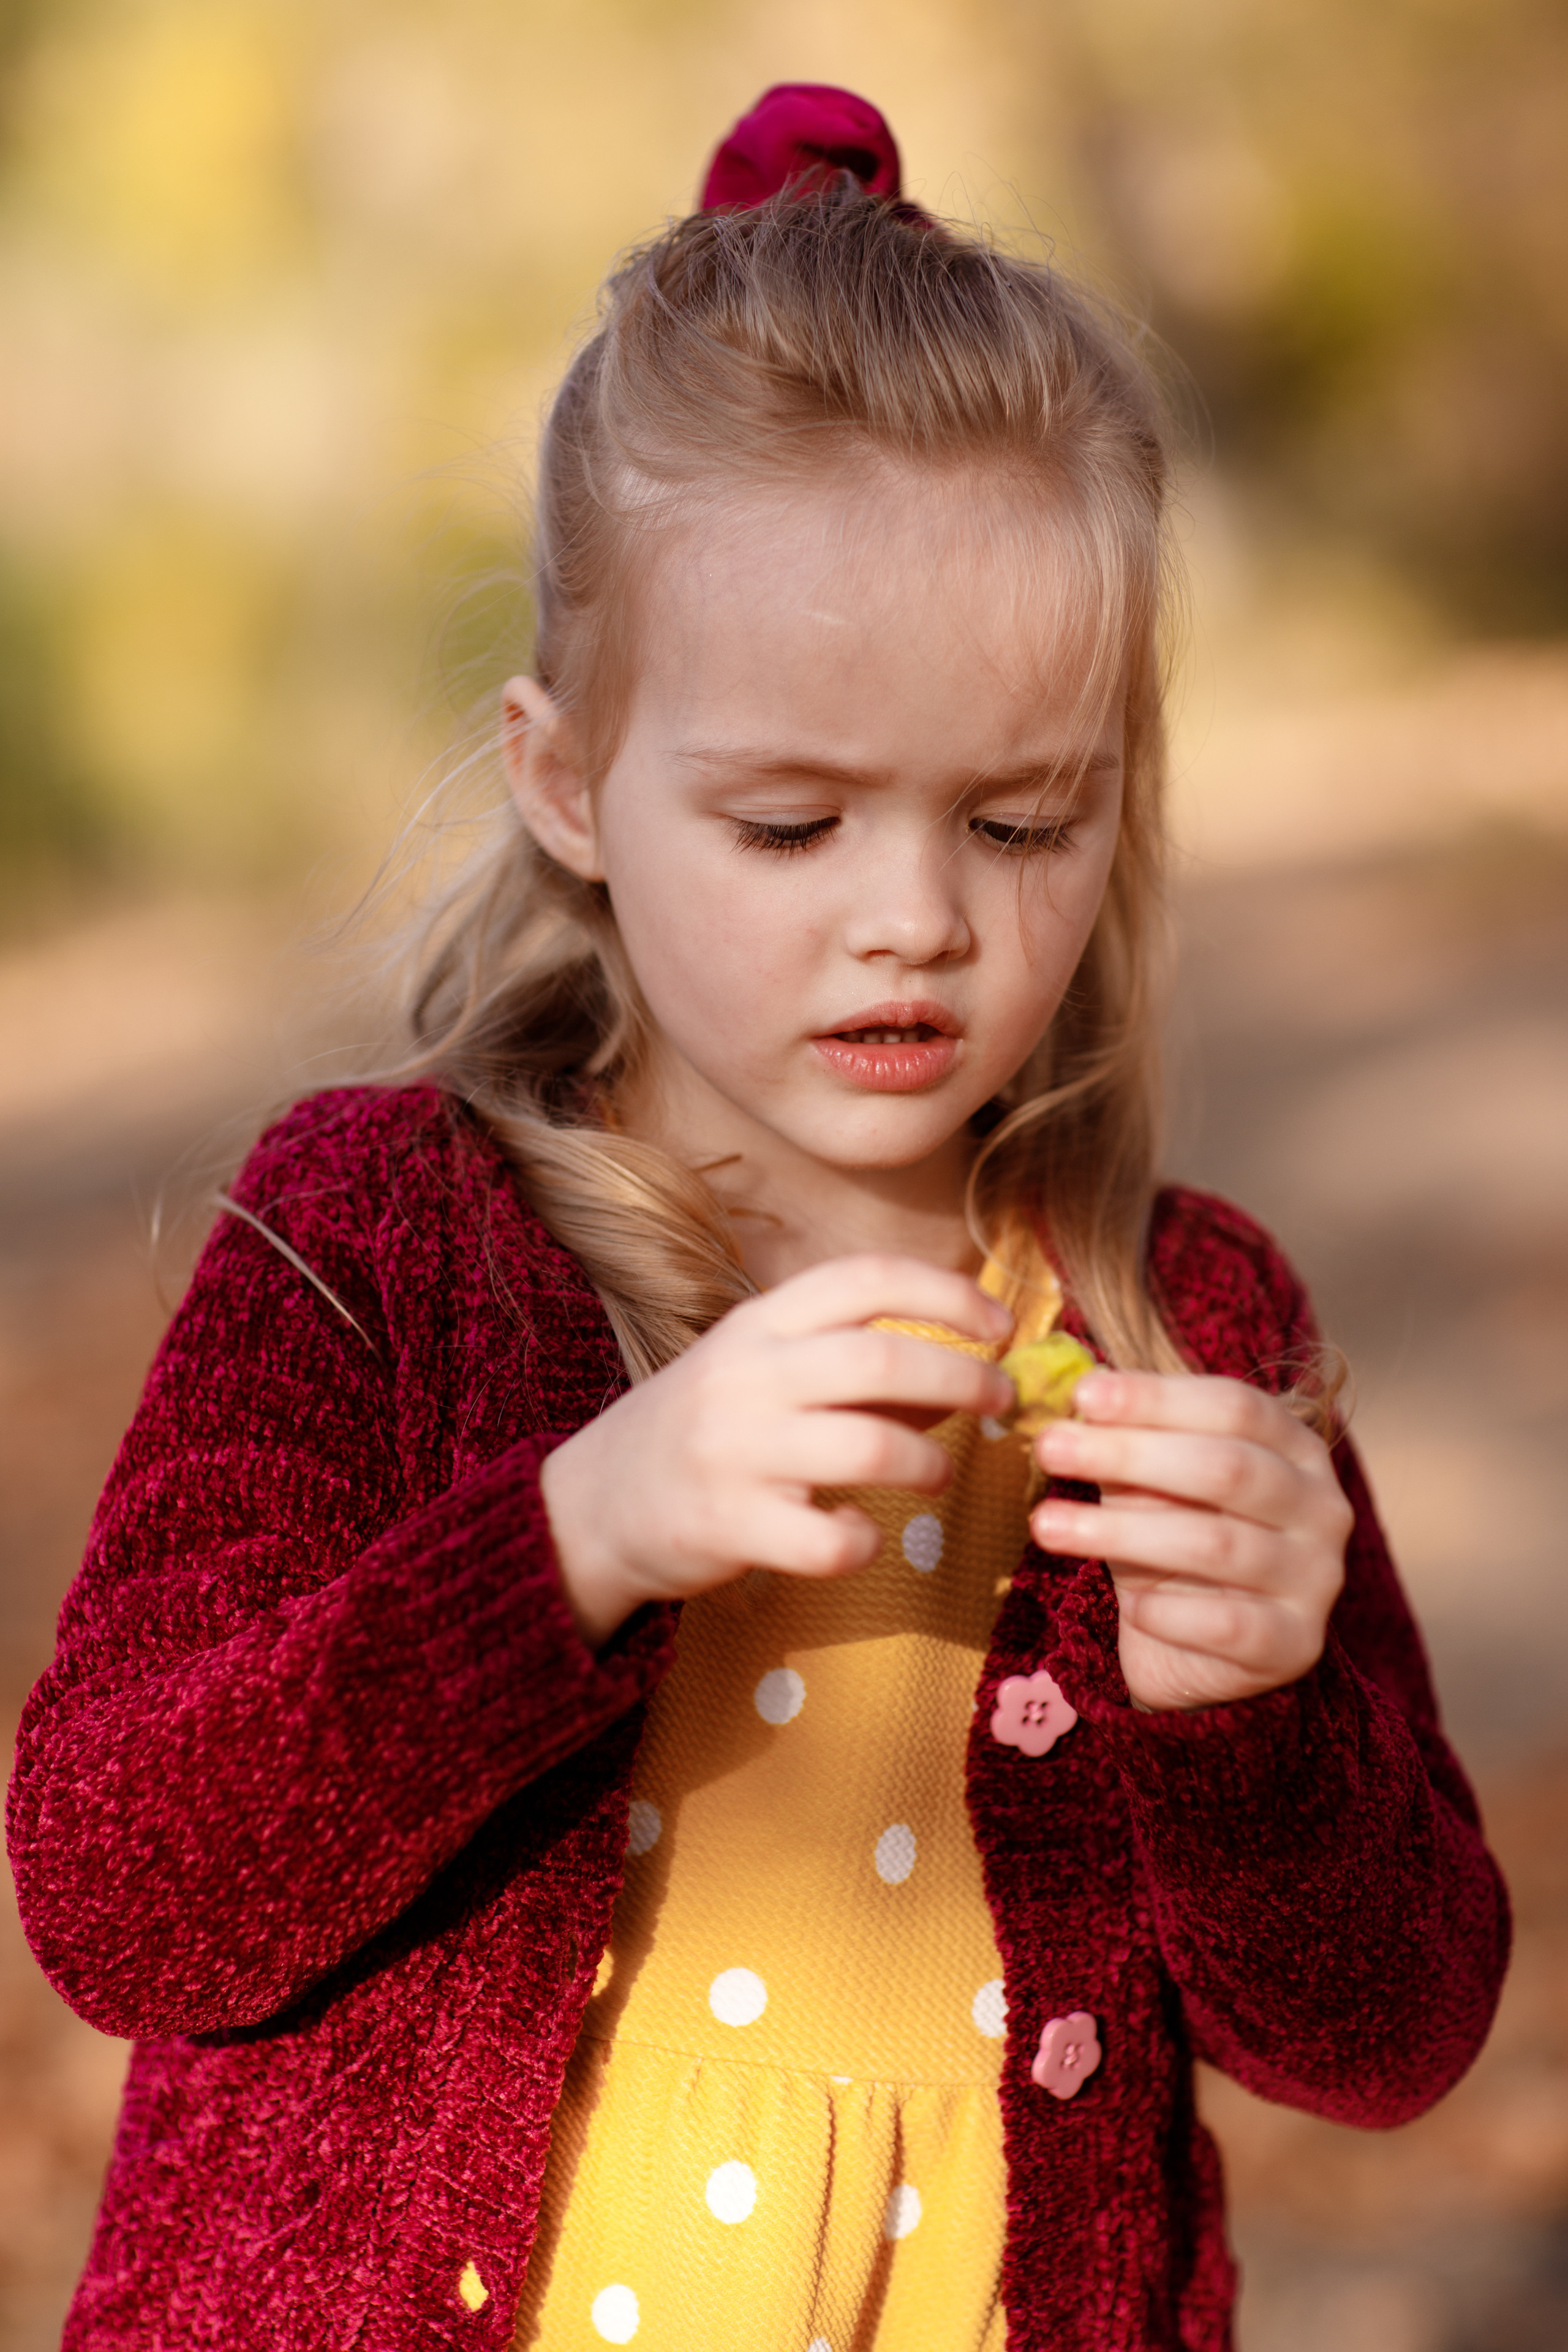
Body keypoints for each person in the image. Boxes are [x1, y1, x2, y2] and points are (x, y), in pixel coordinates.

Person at [8, 82, 1508, 2352]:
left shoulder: (1179, 1311)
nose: (911, 922)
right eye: (793, 825)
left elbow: (1386, 2041)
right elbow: (127, 1884)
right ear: (569, 780)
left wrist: (1260, 1716)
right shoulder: (386, 1233)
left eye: (1020, 821)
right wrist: (575, 1534)